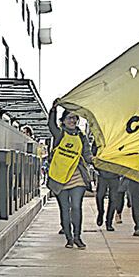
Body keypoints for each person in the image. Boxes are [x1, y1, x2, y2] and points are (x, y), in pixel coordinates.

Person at [48, 101, 93, 248]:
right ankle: (69, 237)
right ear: (63, 121)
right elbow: (51, 125)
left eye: (75, 118)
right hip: (59, 178)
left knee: (76, 206)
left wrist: (97, 160)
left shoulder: (82, 137)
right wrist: (54, 110)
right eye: (69, 118)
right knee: (64, 208)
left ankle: (77, 236)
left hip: (77, 177)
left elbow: (87, 156)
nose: (73, 121)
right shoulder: (59, 134)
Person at [91, 143, 124, 230]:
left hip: (115, 174)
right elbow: (93, 153)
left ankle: (109, 222)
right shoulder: (101, 139)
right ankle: (101, 212)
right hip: (102, 173)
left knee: (113, 199)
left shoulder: (119, 139)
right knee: (99, 196)